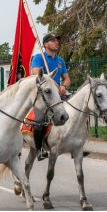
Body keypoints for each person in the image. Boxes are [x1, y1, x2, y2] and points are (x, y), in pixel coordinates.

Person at [29, 33, 70, 161]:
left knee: (78, 110)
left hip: (58, 95)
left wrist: (63, 86)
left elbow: (67, 79)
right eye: (53, 41)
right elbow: (36, 74)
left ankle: (76, 143)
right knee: (39, 120)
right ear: (45, 44)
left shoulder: (60, 61)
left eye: (57, 41)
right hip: (44, 96)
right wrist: (53, 86)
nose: (57, 43)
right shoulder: (38, 57)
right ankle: (39, 149)